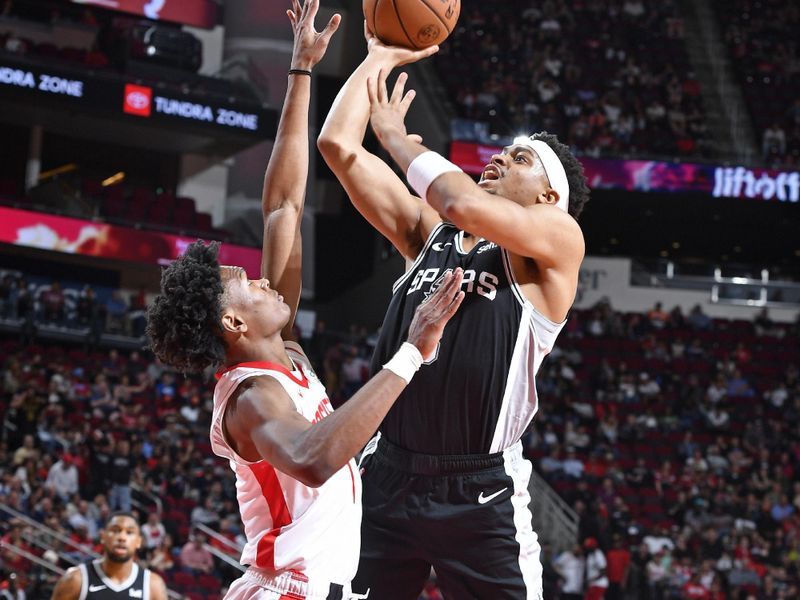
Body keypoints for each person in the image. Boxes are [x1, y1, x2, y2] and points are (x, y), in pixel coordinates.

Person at [145, 2, 463, 599]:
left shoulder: (280, 354)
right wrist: (412, 351)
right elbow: (312, 458)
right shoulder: (250, 397)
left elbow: (283, 206)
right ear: (232, 321)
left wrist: (301, 73)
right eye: (248, 284)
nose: (264, 280)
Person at [318, 25, 589, 600]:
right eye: (503, 151)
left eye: (520, 159)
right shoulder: (430, 236)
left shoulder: (557, 242)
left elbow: (460, 199)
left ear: (548, 197)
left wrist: (394, 135)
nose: (499, 158)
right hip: (387, 473)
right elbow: (337, 148)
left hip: (479, 492)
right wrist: (377, 59)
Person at [51, 512, 167, 599]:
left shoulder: (152, 585)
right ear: (103, 536)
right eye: (115, 530)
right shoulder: (75, 580)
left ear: (139, 541)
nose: (122, 537)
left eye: (129, 532)